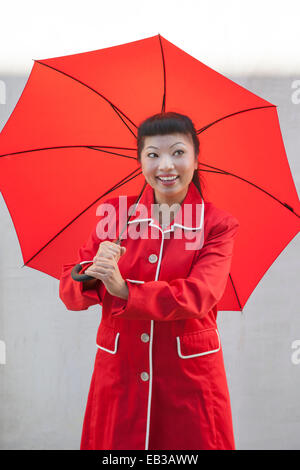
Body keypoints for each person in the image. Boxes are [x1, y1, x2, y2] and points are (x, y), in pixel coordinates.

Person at [59, 111, 240, 450]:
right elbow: (69, 293)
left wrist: (125, 290)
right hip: (120, 374)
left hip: (189, 379)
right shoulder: (114, 214)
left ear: (196, 160)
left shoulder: (217, 224)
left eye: (178, 152)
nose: (166, 165)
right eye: (153, 155)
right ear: (140, 160)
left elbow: (201, 294)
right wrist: (93, 274)